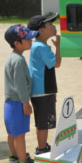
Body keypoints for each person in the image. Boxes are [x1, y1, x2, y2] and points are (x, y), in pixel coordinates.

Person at [4, 24, 38, 163]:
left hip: (10, 103)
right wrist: (26, 102)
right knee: (19, 134)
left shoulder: (12, 57)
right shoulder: (18, 60)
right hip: (18, 102)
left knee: (12, 132)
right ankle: (22, 162)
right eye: (28, 39)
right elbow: (20, 84)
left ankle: (15, 156)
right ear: (17, 43)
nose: (31, 40)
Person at [27, 12, 61, 155]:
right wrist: (59, 47)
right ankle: (41, 149)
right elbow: (56, 64)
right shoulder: (41, 47)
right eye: (50, 24)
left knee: (42, 122)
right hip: (43, 90)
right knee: (43, 123)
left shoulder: (39, 45)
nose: (53, 26)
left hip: (41, 90)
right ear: (41, 31)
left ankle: (43, 145)